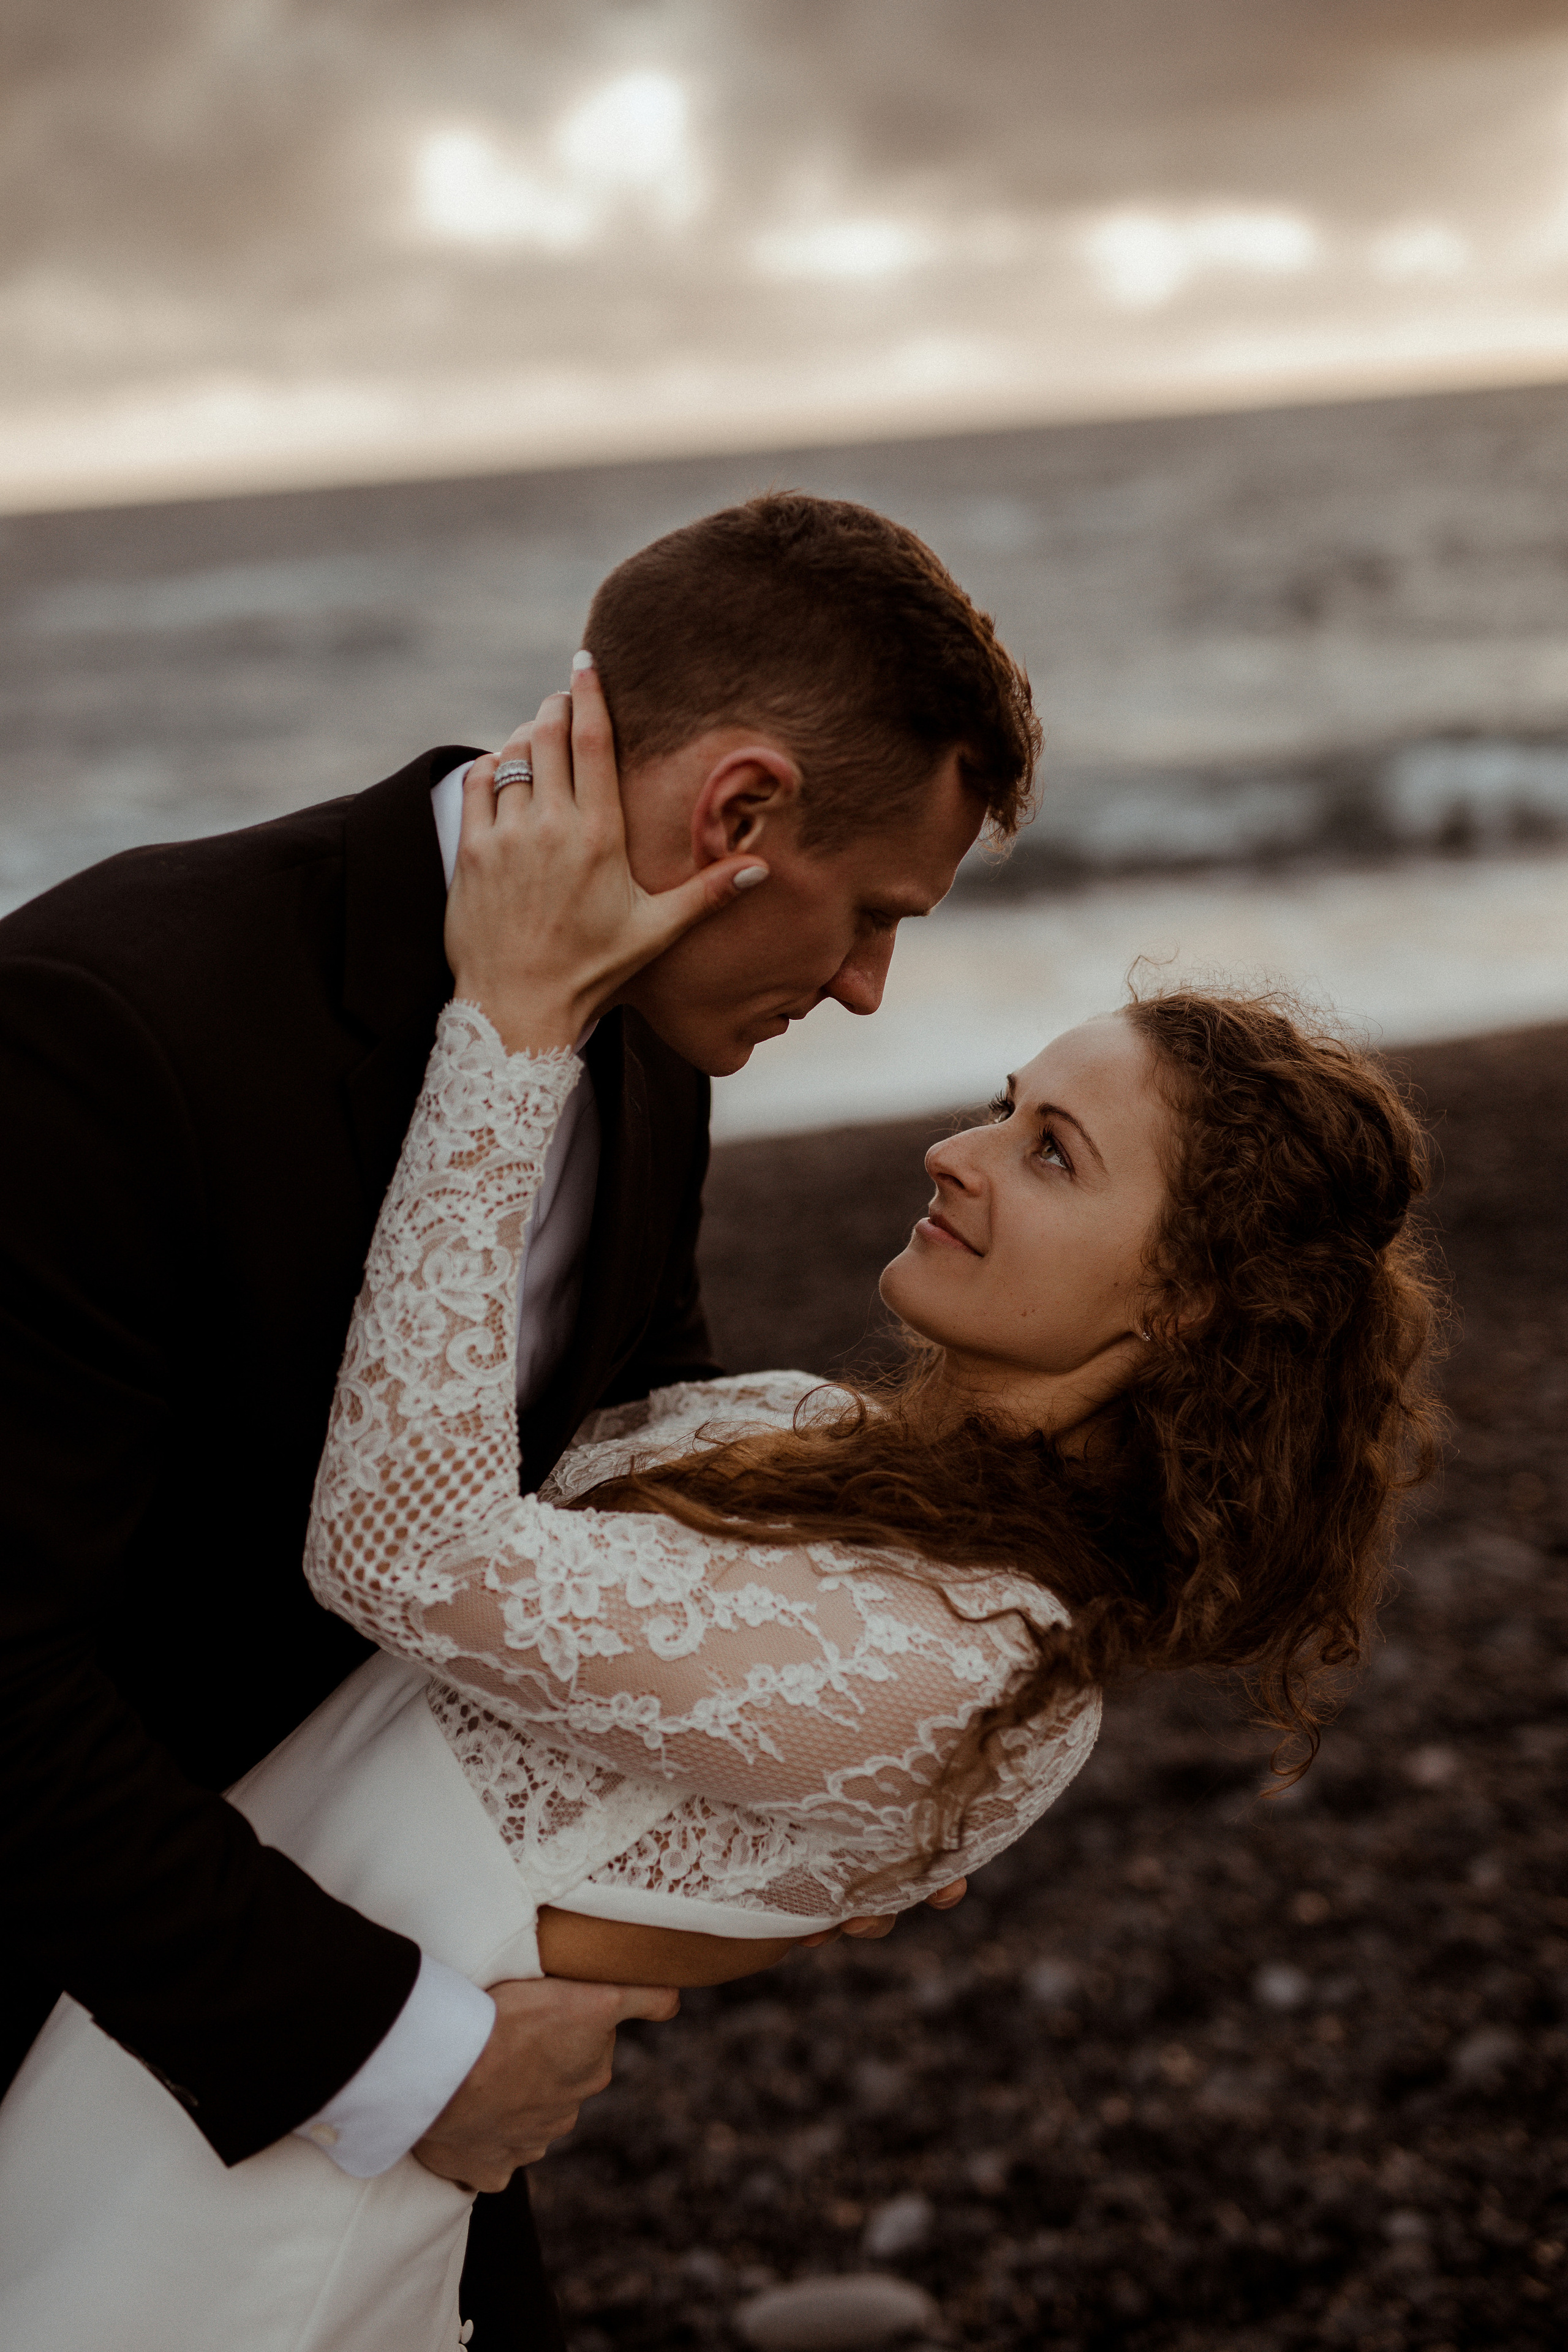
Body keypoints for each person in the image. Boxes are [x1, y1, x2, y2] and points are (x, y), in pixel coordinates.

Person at [0, 658, 1444, 2350]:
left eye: (1052, 1151)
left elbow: (410, 1545)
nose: (954, 1149)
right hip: (167, 2046)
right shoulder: (821, 1436)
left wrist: (512, 1027)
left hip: (263, 2181)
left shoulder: (971, 1653)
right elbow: (539, 1458)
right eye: (1006, 1108)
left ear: (1187, 1307)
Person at [0, 493, 1037, 2348]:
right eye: (876, 912)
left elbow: (620, 1503)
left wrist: (830, 1781)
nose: (872, 986)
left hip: (395, 2020)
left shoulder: (656, 1046)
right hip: (110, 2046)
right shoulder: (103, 1023)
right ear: (736, 815)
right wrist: (398, 2057)